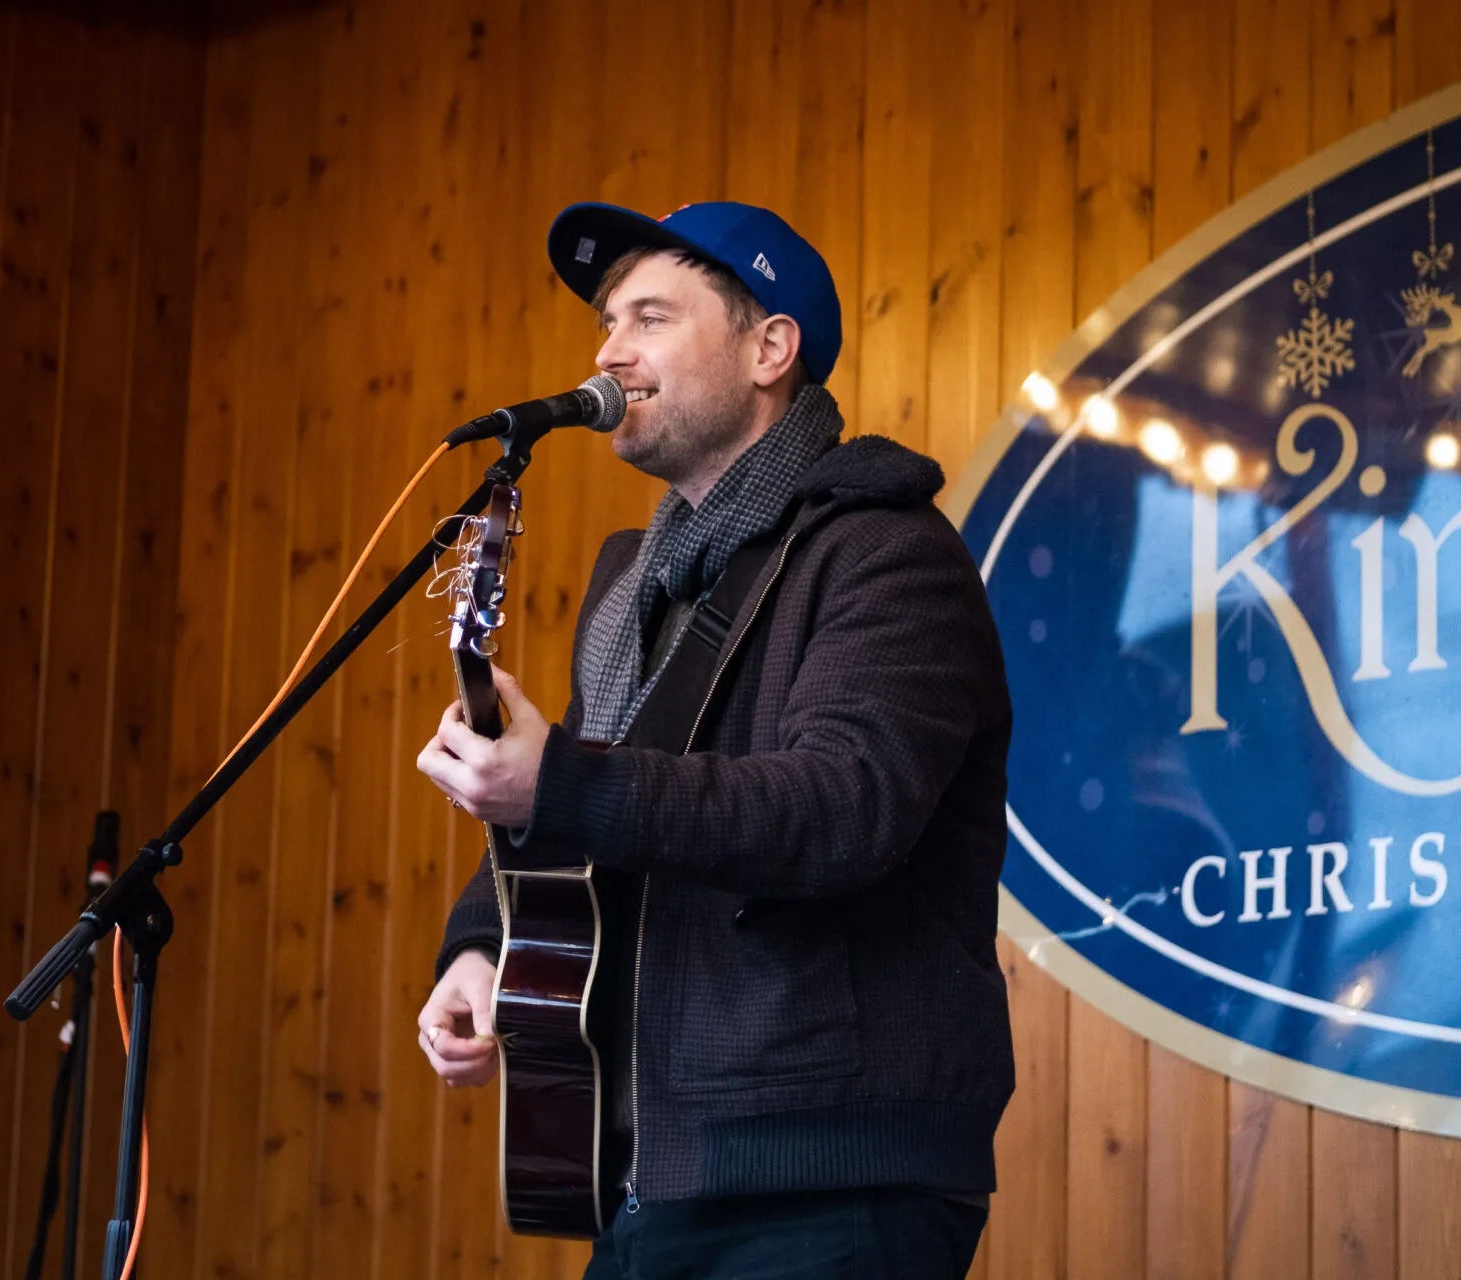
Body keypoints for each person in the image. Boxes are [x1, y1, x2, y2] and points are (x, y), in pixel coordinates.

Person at [412, 200, 1015, 1279]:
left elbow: (843, 807)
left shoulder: (887, 553)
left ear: (769, 348)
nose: (609, 350)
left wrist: (557, 780)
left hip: (828, 1172)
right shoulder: (634, 585)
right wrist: (479, 943)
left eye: (650, 316)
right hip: (656, 1172)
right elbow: (584, 802)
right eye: (607, 320)